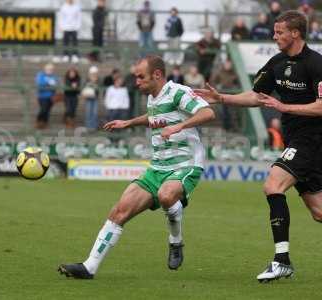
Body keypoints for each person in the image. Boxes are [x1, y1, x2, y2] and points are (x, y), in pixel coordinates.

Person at [58, 55, 215, 279]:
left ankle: (175, 241)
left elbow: (208, 112)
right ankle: (89, 267)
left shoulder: (178, 92)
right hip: (157, 167)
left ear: (157, 75)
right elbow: (154, 117)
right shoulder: (153, 97)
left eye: (141, 77)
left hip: (185, 164)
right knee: (119, 211)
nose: (137, 82)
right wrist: (128, 122)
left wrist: (180, 126)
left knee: (166, 195)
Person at [194, 10, 322, 282]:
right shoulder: (276, 62)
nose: (274, 36)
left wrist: (284, 106)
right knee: (318, 211)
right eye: (274, 32)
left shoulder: (316, 64)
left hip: (312, 139)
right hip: (296, 139)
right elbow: (256, 96)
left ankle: (281, 261)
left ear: (295, 33)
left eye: (279, 32)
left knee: (272, 185)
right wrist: (222, 98)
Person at [209, 59, 240, 131]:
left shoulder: (234, 74)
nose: (228, 66)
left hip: (231, 94)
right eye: (227, 64)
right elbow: (213, 81)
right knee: (223, 111)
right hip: (222, 94)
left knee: (232, 111)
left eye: (229, 64)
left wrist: (234, 87)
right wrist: (217, 87)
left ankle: (232, 127)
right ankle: (226, 127)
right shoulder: (219, 73)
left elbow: (237, 83)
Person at [35, 63, 58, 129]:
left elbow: (55, 84)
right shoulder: (41, 75)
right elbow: (40, 83)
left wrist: (50, 85)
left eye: (51, 69)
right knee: (43, 109)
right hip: (42, 96)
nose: (50, 71)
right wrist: (48, 83)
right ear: (45, 69)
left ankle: (45, 122)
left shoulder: (54, 76)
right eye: (48, 69)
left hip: (51, 96)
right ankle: (39, 120)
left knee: (48, 110)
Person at [82, 66, 100, 130]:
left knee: (95, 113)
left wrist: (95, 82)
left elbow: (99, 88)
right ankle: (88, 127)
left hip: (95, 98)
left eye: (95, 73)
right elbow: (83, 88)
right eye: (92, 73)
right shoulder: (86, 80)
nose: (94, 74)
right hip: (88, 98)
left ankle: (94, 126)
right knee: (88, 113)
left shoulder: (99, 80)